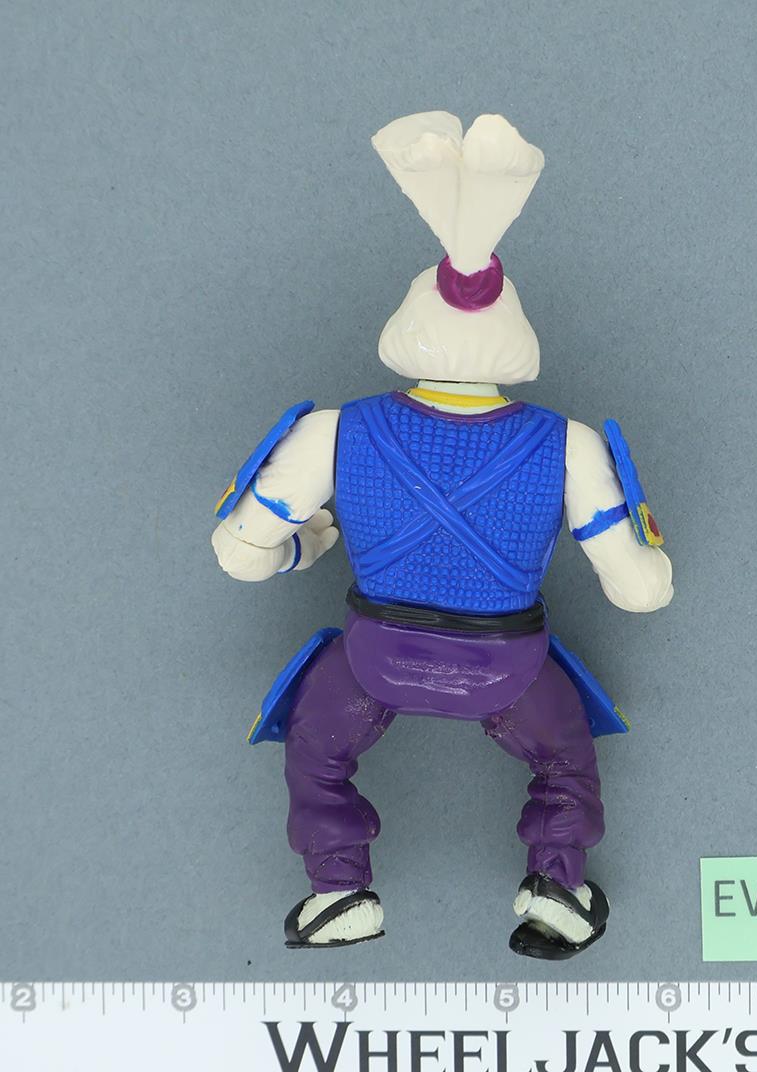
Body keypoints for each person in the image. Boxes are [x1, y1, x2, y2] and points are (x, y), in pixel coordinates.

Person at [212, 112, 674, 959]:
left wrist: (301, 547)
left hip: (373, 659)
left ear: (409, 320)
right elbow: (638, 591)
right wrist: (653, 561)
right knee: (565, 760)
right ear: (515, 335)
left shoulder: (333, 431)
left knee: (316, 750)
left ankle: (337, 892)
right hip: (509, 667)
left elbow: (240, 555)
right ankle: (559, 889)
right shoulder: (569, 445)